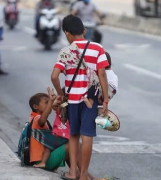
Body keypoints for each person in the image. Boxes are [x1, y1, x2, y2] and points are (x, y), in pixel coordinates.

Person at [51, 15, 109, 180]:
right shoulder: (97, 48)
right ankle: (84, 175)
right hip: (90, 101)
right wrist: (105, 99)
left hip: (72, 101)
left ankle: (73, 173)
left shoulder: (66, 51)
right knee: (88, 135)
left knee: (74, 135)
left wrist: (61, 94)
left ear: (67, 33)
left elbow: (54, 76)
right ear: (84, 30)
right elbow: (102, 74)